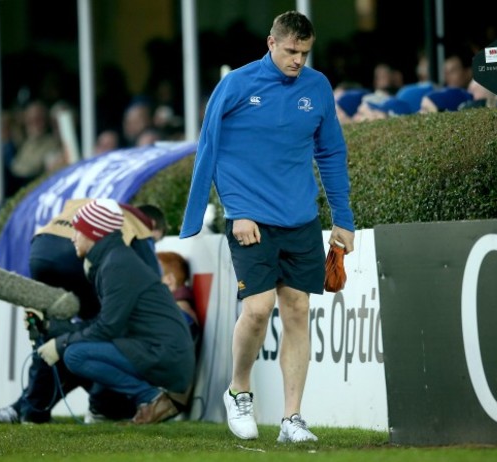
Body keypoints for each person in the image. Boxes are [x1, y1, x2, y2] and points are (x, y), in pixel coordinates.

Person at [179, 11, 355, 443]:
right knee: (257, 310)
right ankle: (239, 391)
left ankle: (292, 419)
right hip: (250, 219)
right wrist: (235, 211)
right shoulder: (236, 85)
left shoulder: (317, 88)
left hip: (300, 218)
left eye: (305, 53)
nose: (298, 60)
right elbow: (211, 150)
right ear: (271, 43)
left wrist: (343, 219)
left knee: (297, 311)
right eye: (292, 51)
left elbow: (331, 154)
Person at [0, 200, 167, 424]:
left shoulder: (90, 206)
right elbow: (151, 279)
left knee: (52, 337)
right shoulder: (140, 224)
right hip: (77, 257)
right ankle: (103, 407)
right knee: (104, 333)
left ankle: (29, 410)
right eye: (157, 241)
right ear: (153, 224)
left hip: (40, 252)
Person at [37, 198, 195, 424]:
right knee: (74, 349)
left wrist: (62, 343)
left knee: (75, 354)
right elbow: (106, 323)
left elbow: (108, 327)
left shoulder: (116, 264)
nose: (72, 237)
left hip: (164, 356)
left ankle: (153, 398)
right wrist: (58, 331)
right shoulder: (112, 259)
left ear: (93, 233)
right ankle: (141, 400)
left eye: (77, 231)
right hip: (157, 350)